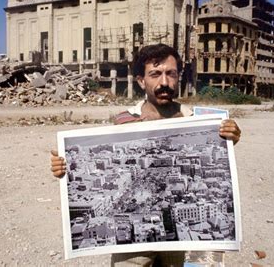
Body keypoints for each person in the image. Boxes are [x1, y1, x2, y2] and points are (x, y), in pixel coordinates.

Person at [50, 44, 241, 266]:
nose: (164, 82)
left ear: (178, 76)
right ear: (141, 80)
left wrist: (229, 137)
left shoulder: (197, 119)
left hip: (179, 244)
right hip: (135, 246)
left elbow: (221, 159)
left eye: (171, 73)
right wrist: (64, 167)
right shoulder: (123, 121)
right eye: (155, 74)